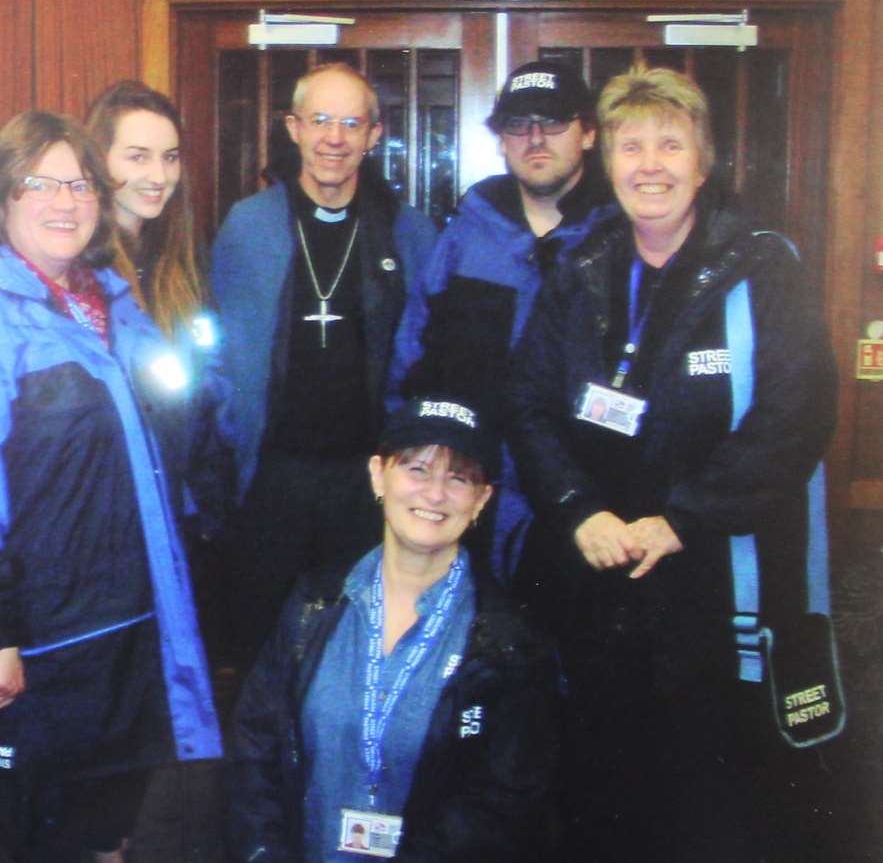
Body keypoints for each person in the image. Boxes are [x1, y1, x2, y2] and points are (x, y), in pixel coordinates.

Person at [508, 66, 837, 861]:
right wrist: (578, 508)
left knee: (714, 812)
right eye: (629, 144)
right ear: (605, 158)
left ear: (702, 161)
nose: (648, 163)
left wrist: (682, 518)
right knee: (603, 801)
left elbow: (795, 418)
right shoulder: (579, 269)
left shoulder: (762, 268)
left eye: (669, 143)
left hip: (720, 586)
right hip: (598, 583)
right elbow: (529, 405)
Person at [0, 112, 221, 861]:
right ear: (1, 198)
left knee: (107, 831)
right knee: (24, 836)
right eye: (38, 183)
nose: (64, 201)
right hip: (38, 647)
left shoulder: (109, 301)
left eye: (78, 183)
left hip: (130, 634)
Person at [227, 395, 559, 862]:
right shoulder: (313, 603)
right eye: (417, 469)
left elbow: (500, 804)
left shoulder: (509, 645)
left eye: (459, 478)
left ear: (482, 500)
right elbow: (255, 749)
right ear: (378, 475)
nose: (435, 493)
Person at [211, 62, 438, 670]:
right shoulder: (248, 226)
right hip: (270, 478)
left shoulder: (409, 232)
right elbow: (220, 357)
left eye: (350, 122)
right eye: (319, 120)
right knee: (258, 649)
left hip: (367, 482)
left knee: (354, 650)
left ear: (373, 134)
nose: (334, 138)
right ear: (293, 128)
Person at [395, 59, 617, 585]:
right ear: (499, 139)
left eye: (554, 123)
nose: (535, 139)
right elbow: (410, 366)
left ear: (588, 133)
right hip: (473, 500)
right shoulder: (465, 238)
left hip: (590, 505)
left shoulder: (621, 238)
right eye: (519, 125)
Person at [85, 80, 232, 862]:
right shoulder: (77, 273)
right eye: (135, 155)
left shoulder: (176, 263)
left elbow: (203, 408)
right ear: (95, 160)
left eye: (169, 156)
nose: (157, 173)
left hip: (172, 540)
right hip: (104, 553)